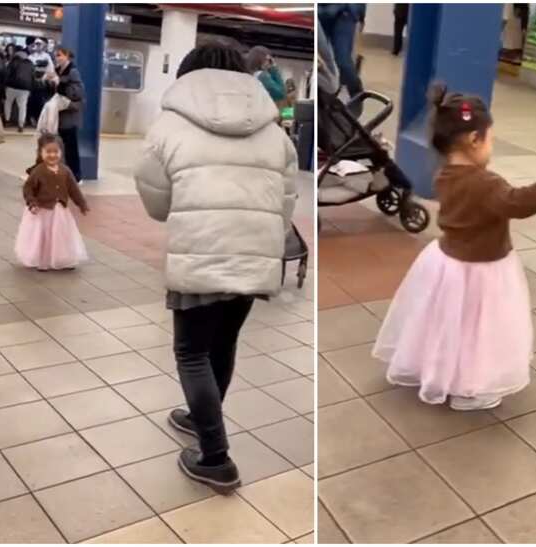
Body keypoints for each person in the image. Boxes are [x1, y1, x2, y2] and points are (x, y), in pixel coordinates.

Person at [134, 44, 298, 494]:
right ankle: (201, 416)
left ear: (188, 76)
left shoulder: (170, 123)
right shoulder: (272, 127)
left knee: (191, 352)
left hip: (200, 251)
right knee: (223, 343)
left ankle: (215, 457)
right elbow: (286, 199)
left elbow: (156, 202)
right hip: (255, 254)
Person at [372, 83, 536, 410]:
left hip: (446, 263)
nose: (491, 146)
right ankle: (470, 383)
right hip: (483, 269)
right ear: (474, 139)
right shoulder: (487, 184)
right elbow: (516, 203)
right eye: (490, 138)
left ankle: (437, 368)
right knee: (478, 328)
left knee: (445, 322)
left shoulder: (444, 175)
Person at [14, 133, 89, 271]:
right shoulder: (38, 171)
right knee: (43, 236)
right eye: (48, 152)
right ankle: (43, 260)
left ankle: (64, 258)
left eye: (56, 152)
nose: (52, 155)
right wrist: (32, 203)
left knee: (61, 235)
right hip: (42, 210)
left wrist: (82, 204)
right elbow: (28, 189)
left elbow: (74, 189)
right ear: (40, 152)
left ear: (61, 152)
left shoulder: (65, 171)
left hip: (60, 211)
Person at [318, 4, 365, 114]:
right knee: (321, 60)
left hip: (344, 12)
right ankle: (325, 102)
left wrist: (360, 12)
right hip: (319, 11)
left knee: (343, 60)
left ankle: (357, 94)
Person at [50, 47, 85, 183]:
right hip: (59, 114)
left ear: (67, 56)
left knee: (71, 148)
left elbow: (77, 93)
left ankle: (76, 177)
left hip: (70, 115)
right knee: (60, 147)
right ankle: (62, 173)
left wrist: (60, 84)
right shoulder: (57, 71)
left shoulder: (73, 72)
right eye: (55, 56)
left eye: (59, 55)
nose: (57, 58)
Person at [3, 46, 34, 133]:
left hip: (12, 86)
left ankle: (7, 120)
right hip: (25, 88)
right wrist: (30, 89)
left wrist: (5, 85)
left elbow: (7, 73)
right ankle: (21, 125)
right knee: (22, 106)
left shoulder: (13, 61)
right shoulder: (30, 63)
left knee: (8, 102)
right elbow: (33, 77)